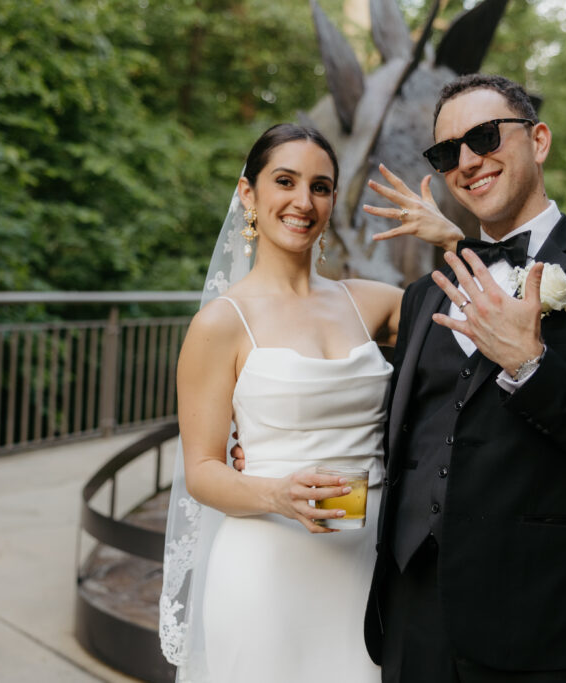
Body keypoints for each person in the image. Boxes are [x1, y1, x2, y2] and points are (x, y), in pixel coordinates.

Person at [360, 74, 566, 682]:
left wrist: (532, 367)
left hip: (537, 618)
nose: (467, 162)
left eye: (485, 136)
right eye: (447, 151)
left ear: (539, 140)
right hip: (412, 611)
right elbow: (407, 434)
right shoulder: (424, 295)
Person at [158, 123, 462, 682]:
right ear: (248, 194)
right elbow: (200, 471)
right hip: (266, 564)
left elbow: (479, 333)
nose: (303, 201)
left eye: (320, 187)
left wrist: (452, 241)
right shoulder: (220, 323)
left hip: (367, 565)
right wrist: (277, 493)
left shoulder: (372, 303)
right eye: (285, 181)